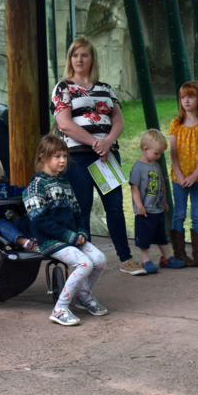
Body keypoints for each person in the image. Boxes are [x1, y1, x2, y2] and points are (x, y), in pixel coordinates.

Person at [50, 37, 142, 275]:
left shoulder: (105, 88)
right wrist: (95, 143)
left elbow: (118, 119)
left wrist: (108, 142)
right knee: (82, 209)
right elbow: (64, 123)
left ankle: (126, 259)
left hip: (107, 156)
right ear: (70, 59)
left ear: (92, 59)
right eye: (75, 55)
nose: (79, 59)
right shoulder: (64, 87)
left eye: (84, 55)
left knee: (115, 207)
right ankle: (87, 262)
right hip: (78, 156)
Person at [23, 135, 108, 327]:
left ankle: (84, 298)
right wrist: (69, 236)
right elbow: (39, 221)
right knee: (85, 264)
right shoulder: (36, 186)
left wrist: (81, 233)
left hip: (72, 238)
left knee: (100, 259)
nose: (62, 160)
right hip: (50, 241)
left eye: (64, 156)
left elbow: (78, 213)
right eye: (57, 156)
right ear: (42, 156)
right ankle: (60, 309)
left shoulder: (65, 183)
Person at [168, 81, 198, 268]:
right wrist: (179, 175)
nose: (186, 100)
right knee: (179, 213)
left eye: (191, 96)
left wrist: (194, 175)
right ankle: (179, 254)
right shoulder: (175, 124)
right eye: (183, 97)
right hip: (179, 178)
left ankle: (197, 254)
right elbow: (173, 152)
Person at [130, 130, 184, 273]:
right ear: (146, 149)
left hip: (157, 208)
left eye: (160, 154)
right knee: (144, 236)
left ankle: (166, 258)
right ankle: (146, 260)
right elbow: (134, 188)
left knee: (161, 235)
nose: (159, 157)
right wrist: (139, 206)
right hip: (145, 210)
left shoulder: (156, 166)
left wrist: (164, 201)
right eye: (157, 153)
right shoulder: (138, 167)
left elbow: (162, 184)